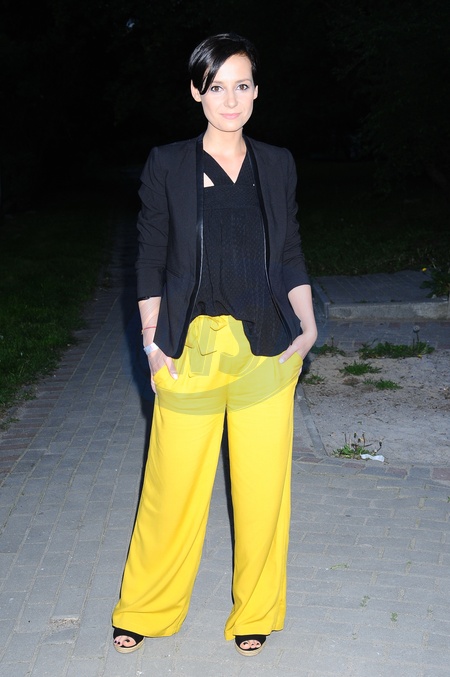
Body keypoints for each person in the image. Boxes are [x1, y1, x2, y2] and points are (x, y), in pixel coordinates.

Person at [112, 32, 318, 657]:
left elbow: (289, 251)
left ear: (256, 91)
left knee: (262, 495)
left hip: (265, 348)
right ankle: (146, 608)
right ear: (196, 92)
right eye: (217, 86)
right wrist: (152, 345)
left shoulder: (276, 164)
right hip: (189, 349)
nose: (231, 99)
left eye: (242, 85)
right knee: (171, 489)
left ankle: (255, 611)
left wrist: (308, 327)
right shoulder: (168, 164)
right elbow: (150, 257)